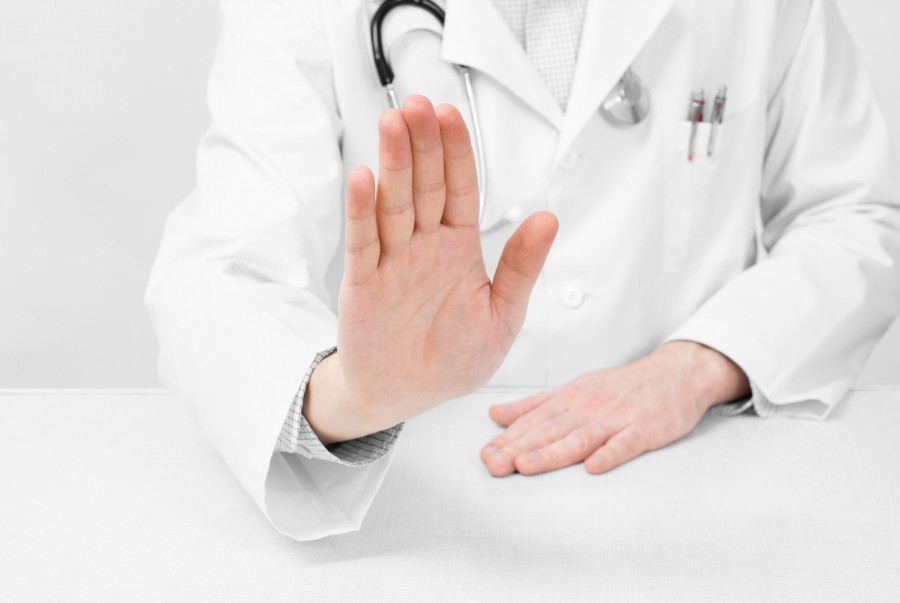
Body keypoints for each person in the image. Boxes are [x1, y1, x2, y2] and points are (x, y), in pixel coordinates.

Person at [145, 0, 900, 541]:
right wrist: (349, 396)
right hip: (421, 506)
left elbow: (856, 213)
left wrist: (700, 365)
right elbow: (220, 270)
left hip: (700, 487)